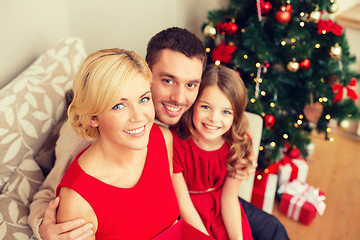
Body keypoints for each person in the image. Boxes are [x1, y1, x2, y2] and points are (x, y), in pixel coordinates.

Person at [29, 27, 289, 240]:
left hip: (206, 198)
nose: (179, 97)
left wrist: (240, 154)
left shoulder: (193, 112)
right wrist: (44, 228)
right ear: (145, 74)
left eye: (191, 85)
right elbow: (51, 195)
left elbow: (226, 115)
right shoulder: (86, 138)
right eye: (167, 80)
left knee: (274, 230)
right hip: (171, 211)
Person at [56, 48, 179, 239]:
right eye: (118, 105)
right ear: (92, 117)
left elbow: (171, 223)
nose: (139, 117)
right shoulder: (77, 201)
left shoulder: (162, 138)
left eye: (144, 99)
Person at [172, 64, 253, 240]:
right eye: (206, 107)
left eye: (226, 112)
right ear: (193, 105)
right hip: (186, 214)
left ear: (235, 115)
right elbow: (183, 203)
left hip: (221, 210)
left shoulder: (236, 144)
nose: (213, 118)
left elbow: (229, 199)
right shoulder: (174, 144)